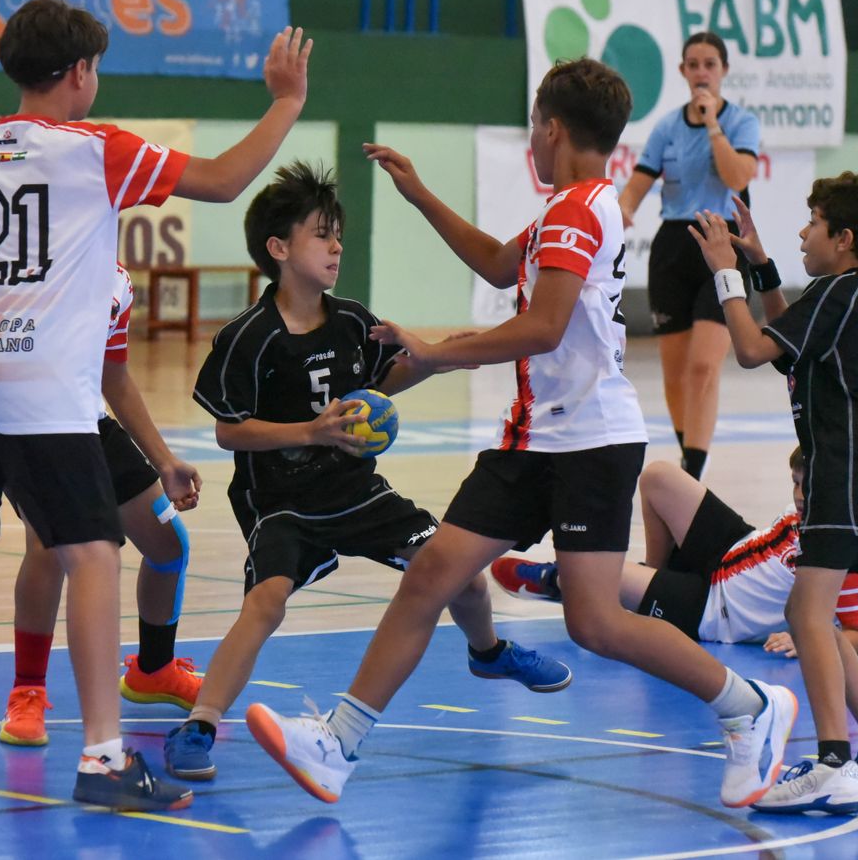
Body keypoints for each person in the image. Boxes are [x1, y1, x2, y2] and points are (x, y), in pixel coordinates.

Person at [243, 59, 797, 810]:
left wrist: (435, 354)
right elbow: (503, 266)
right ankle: (337, 744)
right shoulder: (573, 207)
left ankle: (750, 708)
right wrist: (420, 195)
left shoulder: (577, 212)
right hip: (535, 437)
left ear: (553, 126)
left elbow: (540, 327)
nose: (532, 137)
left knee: (596, 623)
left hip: (591, 443)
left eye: (534, 124)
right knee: (434, 572)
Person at [0, 0, 313, 812]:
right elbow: (224, 179)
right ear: (78, 73)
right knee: (93, 554)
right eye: (95, 67)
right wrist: (286, 101)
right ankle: (104, 759)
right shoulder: (95, 148)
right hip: (36, 383)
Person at [164, 161, 571, 781]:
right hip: (283, 504)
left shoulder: (353, 319)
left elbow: (385, 380)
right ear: (279, 249)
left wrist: (437, 358)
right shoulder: (249, 338)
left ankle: (488, 653)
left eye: (338, 235)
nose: (336, 246)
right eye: (321, 234)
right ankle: (199, 724)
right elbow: (228, 429)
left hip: (357, 491)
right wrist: (311, 431)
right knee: (265, 604)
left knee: (458, 572)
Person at [689, 176, 858, 814]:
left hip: (845, 468)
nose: (802, 232)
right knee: (818, 619)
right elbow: (787, 349)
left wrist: (726, 272)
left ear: (842, 239)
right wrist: (762, 264)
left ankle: (833, 764)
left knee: (807, 616)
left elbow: (749, 348)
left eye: (813, 221)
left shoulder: (839, 291)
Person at [0, 259, 206, 749]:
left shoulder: (117, 280)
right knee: (49, 547)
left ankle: (154, 669)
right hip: (26, 422)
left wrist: (164, 461)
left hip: (87, 421)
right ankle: (27, 692)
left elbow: (114, 376)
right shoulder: (33, 261)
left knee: (167, 544)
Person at [491, 448, 858, 661]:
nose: (798, 496)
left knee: (597, 575)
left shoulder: (845, 550)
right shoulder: (808, 511)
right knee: (658, 476)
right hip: (732, 548)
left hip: (714, 607)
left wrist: (813, 639)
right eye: (795, 484)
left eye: (806, 489)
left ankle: (558, 580)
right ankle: (655, 576)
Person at [617, 31, 760, 480]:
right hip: (673, 247)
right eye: (693, 64)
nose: (701, 72)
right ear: (682, 71)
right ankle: (688, 459)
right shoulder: (665, 127)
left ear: (723, 71)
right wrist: (615, 214)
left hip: (722, 244)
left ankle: (694, 471)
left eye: (710, 64)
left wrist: (712, 124)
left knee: (703, 365)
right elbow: (635, 190)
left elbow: (738, 175)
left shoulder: (741, 123)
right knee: (676, 372)